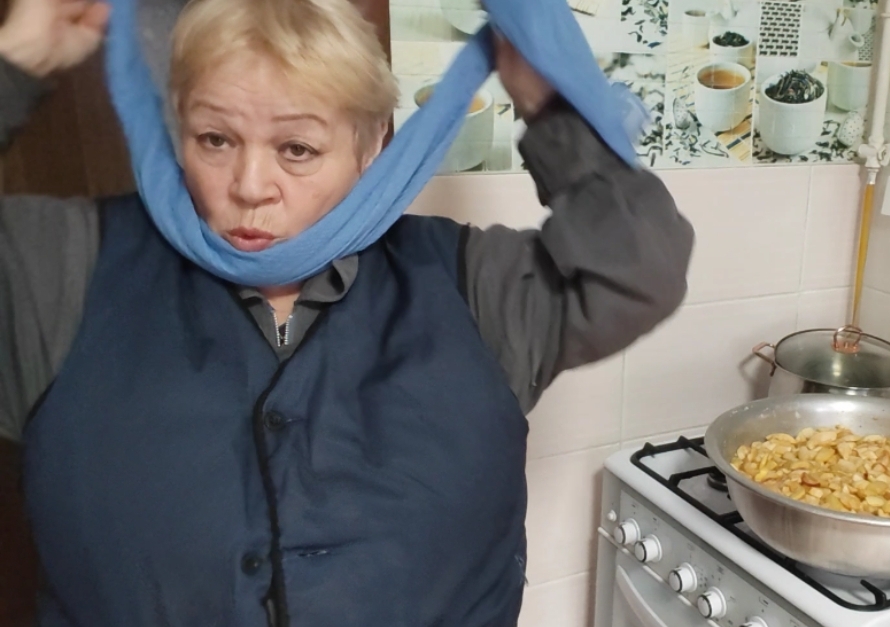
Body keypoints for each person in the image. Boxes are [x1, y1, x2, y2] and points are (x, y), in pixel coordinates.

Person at [0, 0, 694, 625]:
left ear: (371, 147)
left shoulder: (470, 284)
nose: (249, 186)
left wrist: (553, 109)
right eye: (214, 139)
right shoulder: (66, 272)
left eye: (296, 149)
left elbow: (639, 269)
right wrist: (16, 61)